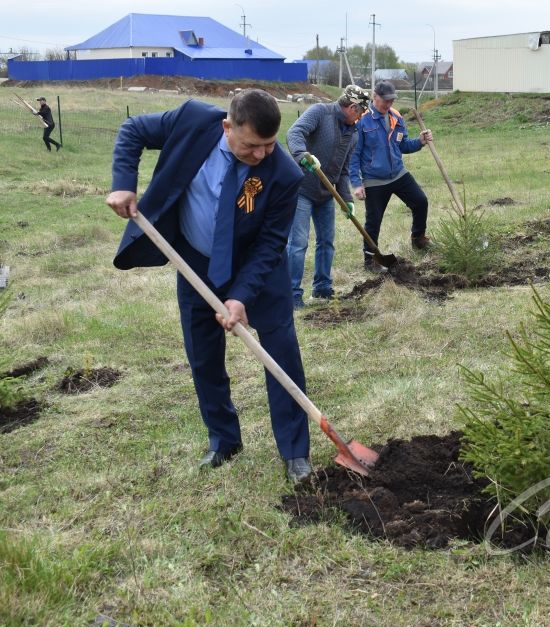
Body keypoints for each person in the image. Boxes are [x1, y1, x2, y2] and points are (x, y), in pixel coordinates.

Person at [105, 89, 313, 483]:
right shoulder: (191, 120)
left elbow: (271, 244)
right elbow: (132, 129)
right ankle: (223, 440)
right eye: (252, 145)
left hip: (257, 271)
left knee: (282, 354)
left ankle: (294, 453)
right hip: (195, 262)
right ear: (226, 127)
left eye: (269, 145)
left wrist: (240, 297)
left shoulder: (284, 174)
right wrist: (124, 182)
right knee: (203, 356)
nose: (262, 155)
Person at [285, 85, 370, 307]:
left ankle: (322, 289)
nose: (361, 117)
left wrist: (347, 200)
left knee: (326, 241)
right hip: (301, 188)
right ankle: (291, 295)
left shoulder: (352, 134)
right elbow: (294, 133)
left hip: (325, 193)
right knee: (298, 243)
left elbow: (342, 171)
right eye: (361, 112)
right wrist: (302, 154)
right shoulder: (320, 112)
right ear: (352, 107)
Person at [349, 80, 434, 272]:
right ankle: (370, 260)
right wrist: (356, 183)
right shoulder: (362, 121)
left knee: (420, 201)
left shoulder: (396, 117)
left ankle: (418, 239)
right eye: (384, 100)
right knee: (374, 221)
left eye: (391, 100)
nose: (388, 104)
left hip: (398, 174)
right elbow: (354, 155)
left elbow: (402, 145)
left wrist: (419, 142)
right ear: (374, 96)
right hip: (374, 180)